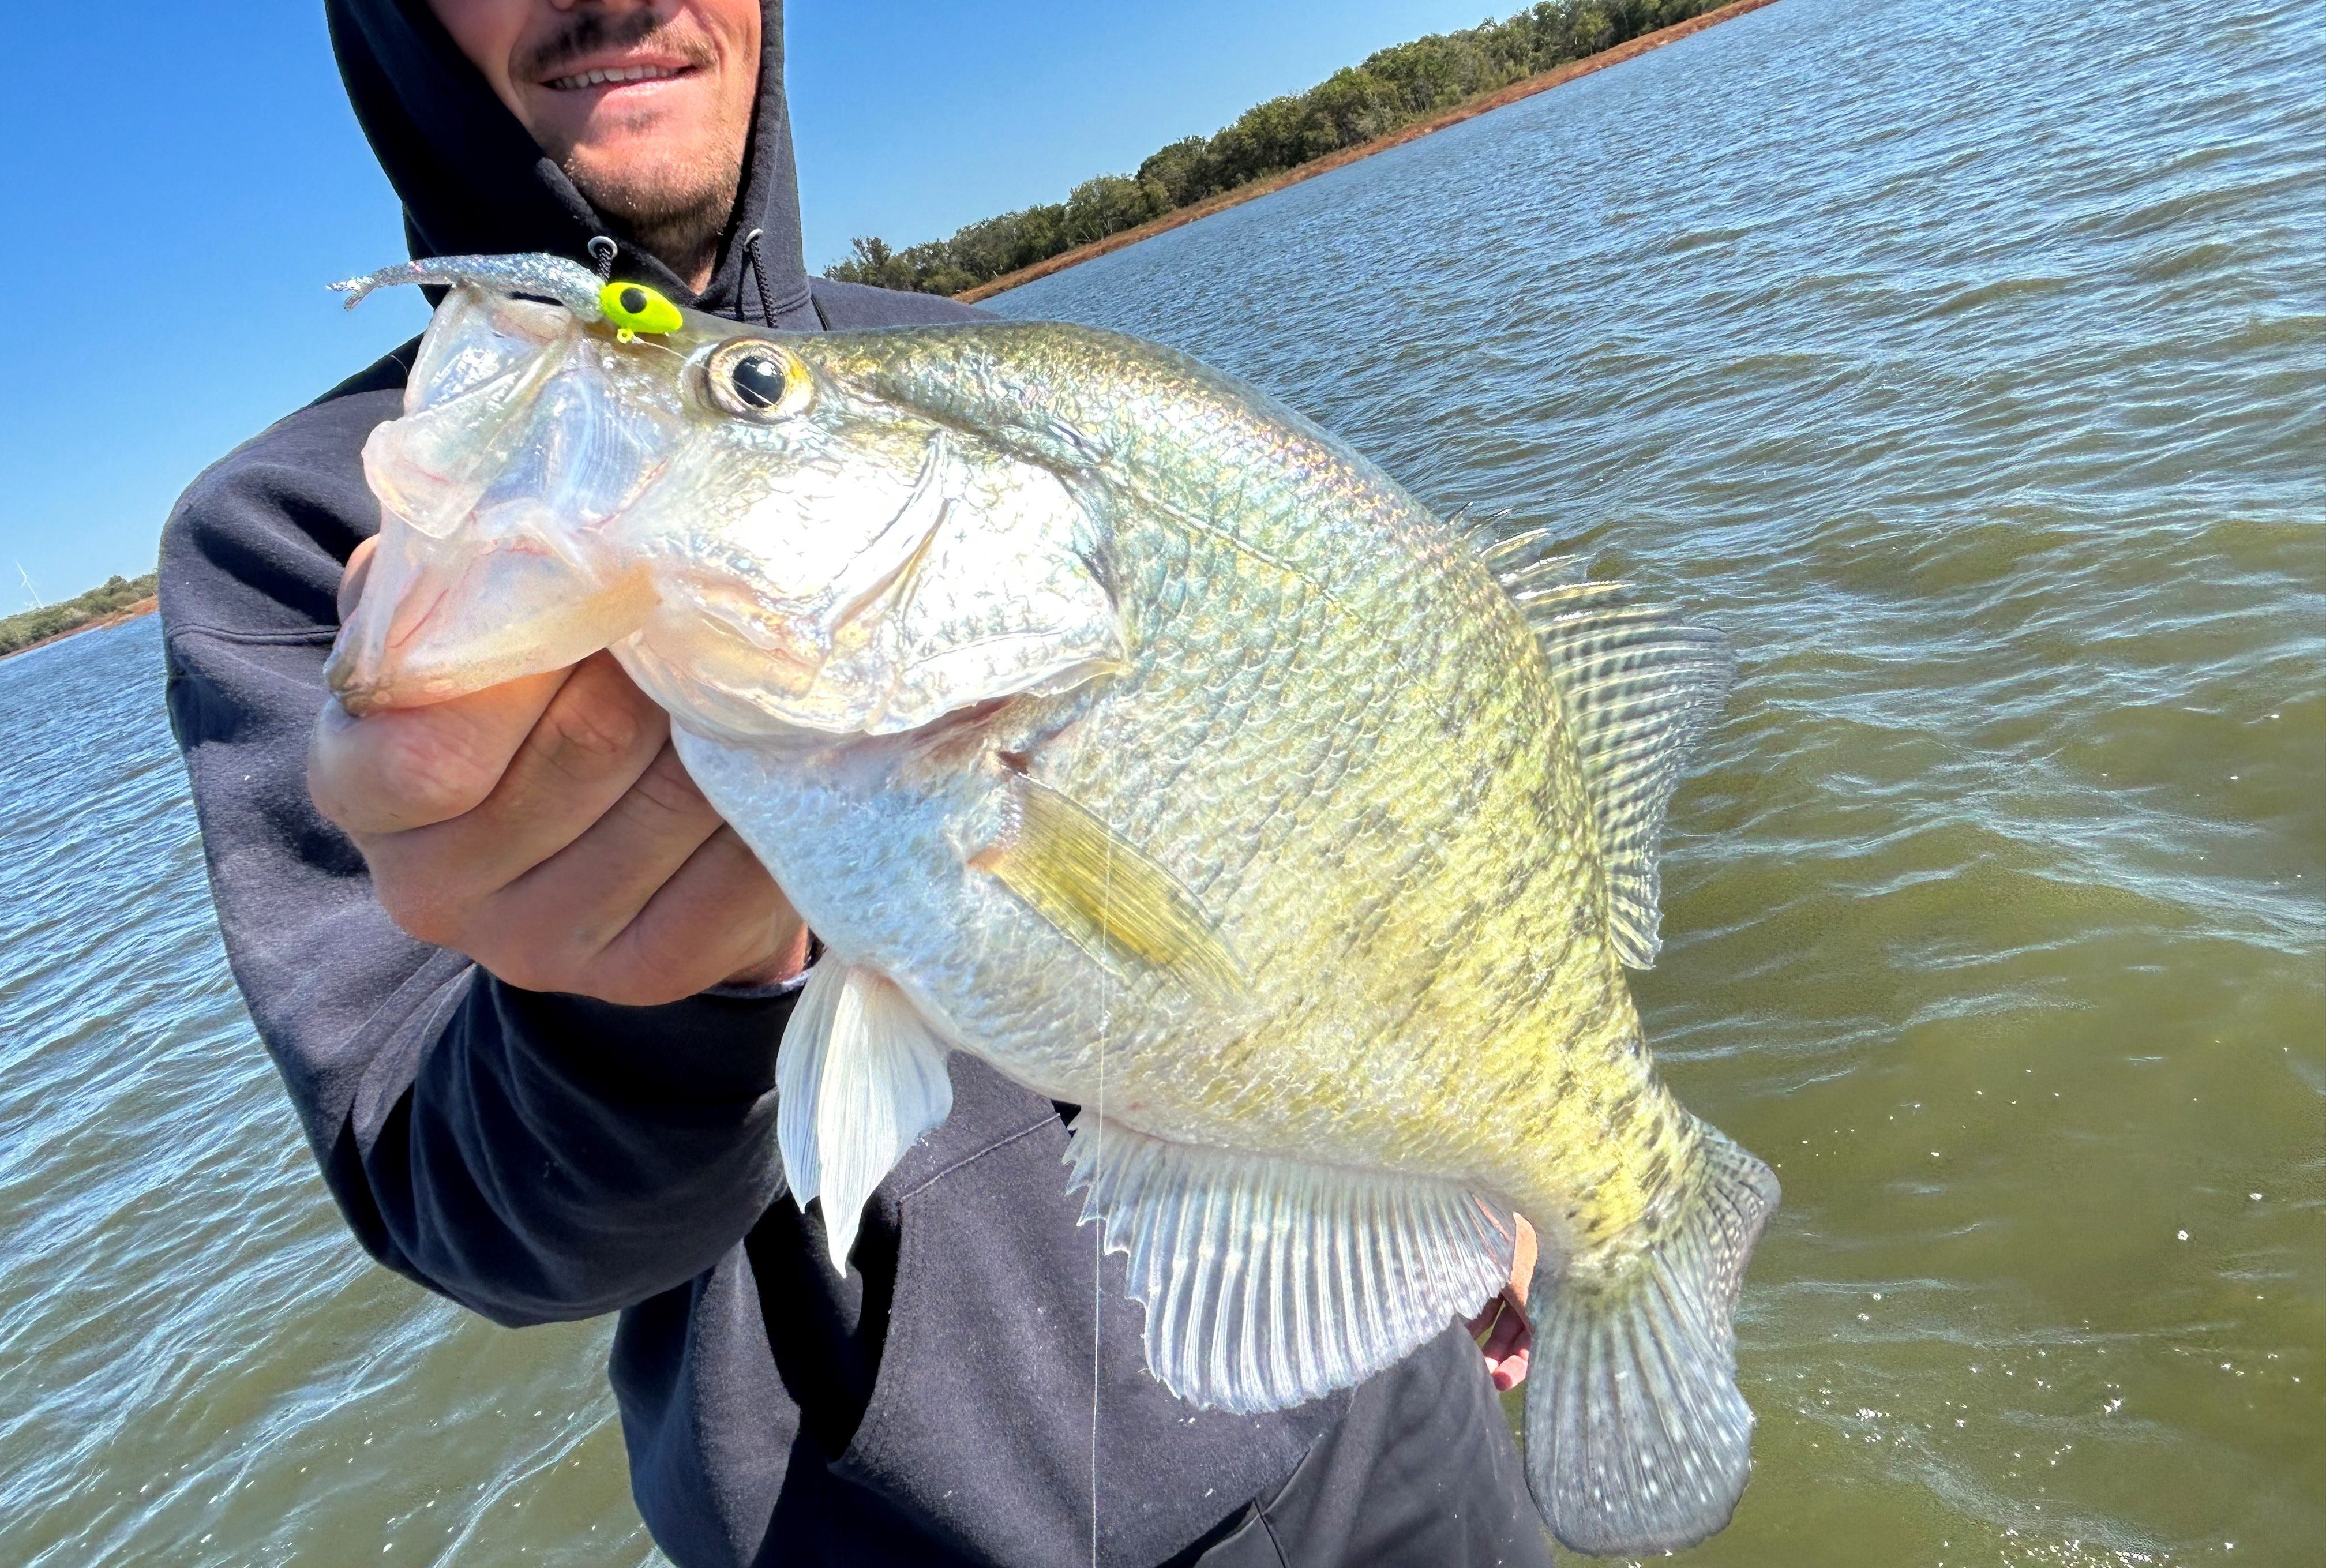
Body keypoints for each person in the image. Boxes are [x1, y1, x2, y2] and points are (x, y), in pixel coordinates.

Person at [159, 3, 1544, 1563]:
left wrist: (1467, 1160)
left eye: (751, 394)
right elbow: (484, 1215)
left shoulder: (969, 371)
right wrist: (657, 1001)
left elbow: (1307, 845)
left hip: (1392, 1414)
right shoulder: (303, 534)